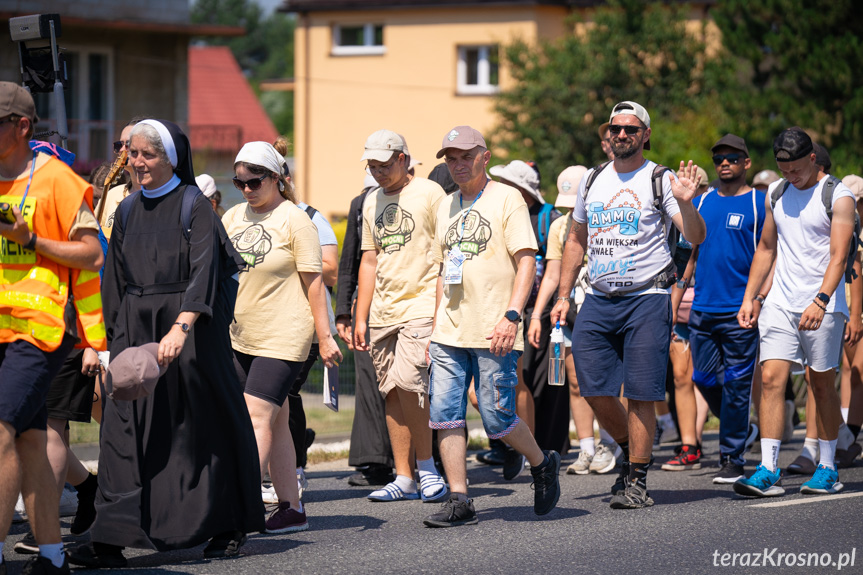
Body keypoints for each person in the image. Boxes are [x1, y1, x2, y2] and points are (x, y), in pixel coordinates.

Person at [68, 119, 264, 568]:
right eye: (132, 154)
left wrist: (181, 326)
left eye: (147, 154)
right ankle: (110, 538)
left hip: (190, 332)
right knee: (122, 426)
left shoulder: (195, 205)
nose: (137, 163)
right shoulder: (129, 209)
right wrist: (103, 342)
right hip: (134, 330)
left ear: (170, 158)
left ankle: (227, 524)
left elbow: (205, 271)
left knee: (198, 426)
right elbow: (114, 280)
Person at [551, 101, 706, 509]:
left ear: (645, 135)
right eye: (615, 129)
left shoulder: (660, 179)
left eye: (630, 129)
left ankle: (637, 477)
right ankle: (628, 446)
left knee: (640, 392)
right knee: (590, 387)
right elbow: (575, 240)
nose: (621, 135)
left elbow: (696, 236)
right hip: (599, 298)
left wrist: (687, 203)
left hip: (648, 297)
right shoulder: (592, 179)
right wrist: (563, 296)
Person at [424, 125, 561, 528]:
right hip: (449, 329)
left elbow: (526, 262)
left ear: (484, 156)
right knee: (444, 413)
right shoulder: (444, 205)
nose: (458, 164)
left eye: (465, 156)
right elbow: (440, 270)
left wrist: (512, 314)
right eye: (451, 158)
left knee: (497, 417)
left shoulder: (507, 199)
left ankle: (541, 462)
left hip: (494, 326)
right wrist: (435, 326)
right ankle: (460, 499)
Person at [0, 82, 105, 575]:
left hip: (39, 329)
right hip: (1, 330)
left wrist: (34, 240)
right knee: (29, 442)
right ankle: (52, 556)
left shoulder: (57, 180)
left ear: (22, 127)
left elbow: (92, 253)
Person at [222, 140, 342, 532]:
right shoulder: (233, 217)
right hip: (241, 333)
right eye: (239, 183)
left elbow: (314, 284)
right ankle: (291, 508)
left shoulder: (296, 221)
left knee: (255, 415)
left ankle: (235, 511)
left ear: (276, 178)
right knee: (277, 421)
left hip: (285, 334)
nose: (247, 189)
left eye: (254, 181)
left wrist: (325, 338)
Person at [735, 128, 857, 498]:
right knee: (771, 377)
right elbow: (766, 248)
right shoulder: (777, 193)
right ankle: (768, 468)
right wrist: (750, 297)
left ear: (812, 158)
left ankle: (828, 465)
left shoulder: (839, 195)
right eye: (783, 169)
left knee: (820, 383)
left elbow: (839, 256)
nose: (790, 176)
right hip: (780, 303)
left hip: (822, 303)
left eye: (796, 169)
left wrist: (820, 301)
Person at [353, 129, 448, 503]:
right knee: (391, 391)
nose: (378, 172)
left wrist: (441, 312)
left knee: (411, 384)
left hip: (421, 304)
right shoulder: (371, 200)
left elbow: (445, 252)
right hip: (382, 311)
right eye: (372, 166)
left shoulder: (429, 193)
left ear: (404, 159)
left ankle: (428, 469)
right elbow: (370, 259)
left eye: (384, 164)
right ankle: (404, 476)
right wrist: (361, 315)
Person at [670, 134, 765, 484]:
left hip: (740, 310)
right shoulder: (704, 201)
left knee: (738, 384)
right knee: (702, 378)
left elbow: (770, 256)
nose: (725, 162)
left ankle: (733, 457)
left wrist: (755, 299)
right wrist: (675, 299)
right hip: (704, 310)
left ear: (746, 162)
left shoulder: (759, 203)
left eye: (733, 157)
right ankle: (740, 427)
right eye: (719, 158)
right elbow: (689, 254)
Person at [529, 165, 618, 476]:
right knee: (576, 382)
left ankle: (610, 441)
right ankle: (586, 447)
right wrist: (538, 316)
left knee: (606, 382)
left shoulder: (608, 220)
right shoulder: (559, 227)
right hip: (568, 313)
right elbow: (553, 274)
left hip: (601, 308)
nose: (570, 211)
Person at [491, 160, 570, 463]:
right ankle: (516, 446)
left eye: (508, 184)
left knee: (550, 379)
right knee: (517, 378)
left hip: (545, 310)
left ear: (523, 190)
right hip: (511, 308)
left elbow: (556, 265)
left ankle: (548, 447)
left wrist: (541, 311)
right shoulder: (502, 214)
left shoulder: (548, 218)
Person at [336, 175, 396, 488]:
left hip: (410, 303)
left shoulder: (419, 197)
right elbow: (351, 260)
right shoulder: (361, 204)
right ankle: (376, 461)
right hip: (369, 306)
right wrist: (344, 312)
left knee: (412, 384)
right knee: (371, 382)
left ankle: (419, 458)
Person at [94, 118, 144, 239]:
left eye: (128, 145)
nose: (121, 150)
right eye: (119, 145)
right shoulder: (112, 195)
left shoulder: (160, 196)